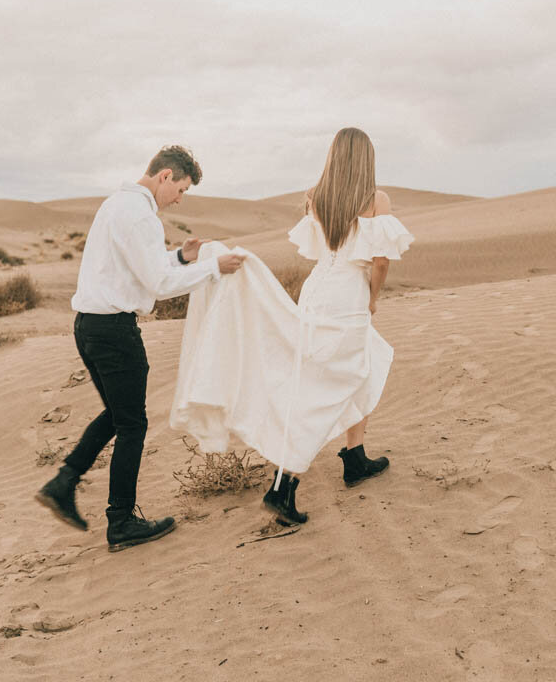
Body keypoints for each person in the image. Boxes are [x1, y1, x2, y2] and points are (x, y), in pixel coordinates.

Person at [170, 127, 413, 525]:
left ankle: (355, 456)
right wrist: (372, 297)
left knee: (360, 364)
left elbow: (321, 249)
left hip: (318, 289)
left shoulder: (315, 198)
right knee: (328, 388)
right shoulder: (376, 200)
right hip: (349, 294)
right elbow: (381, 261)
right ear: (366, 159)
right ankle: (284, 487)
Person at [37, 146, 246, 552]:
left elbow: (138, 265)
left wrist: (180, 258)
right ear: (165, 176)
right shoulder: (140, 215)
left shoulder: (117, 205)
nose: (180, 199)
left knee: (119, 416)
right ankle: (121, 521)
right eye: (181, 190)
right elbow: (158, 285)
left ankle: (64, 481)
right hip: (115, 331)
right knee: (132, 423)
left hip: (88, 326)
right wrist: (211, 269)